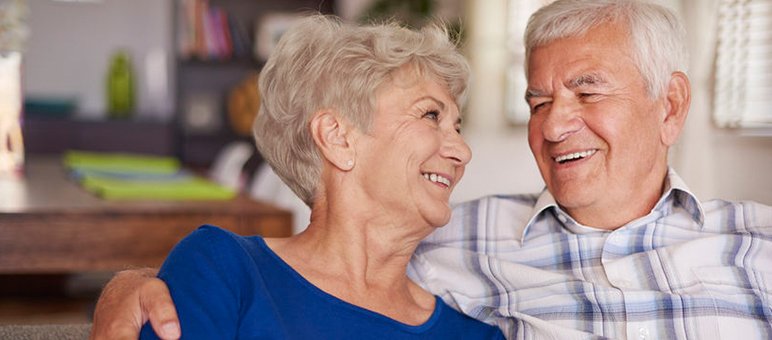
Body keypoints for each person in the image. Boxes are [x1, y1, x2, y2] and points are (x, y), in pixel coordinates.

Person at [90, 1, 772, 339]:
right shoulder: (460, 248)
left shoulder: (757, 244)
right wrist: (129, 283)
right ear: (337, 137)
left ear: (670, 105)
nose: (463, 151)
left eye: (588, 91)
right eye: (537, 102)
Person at [126, 14, 504, 339]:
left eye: (457, 127)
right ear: (337, 138)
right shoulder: (223, 270)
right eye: (431, 116)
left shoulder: (475, 333)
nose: (462, 151)